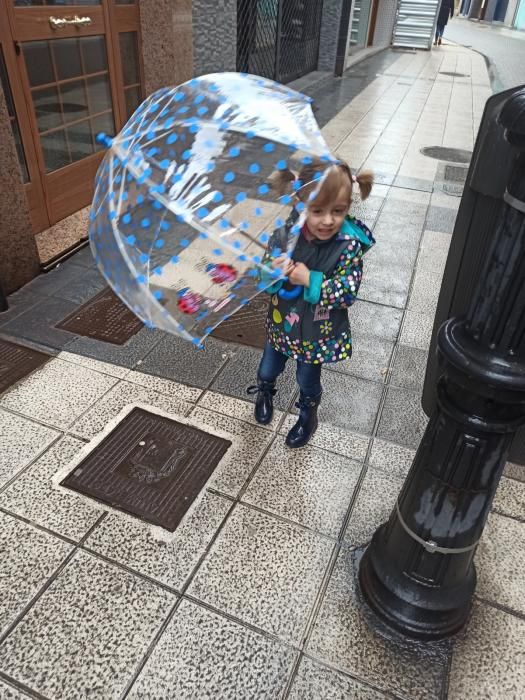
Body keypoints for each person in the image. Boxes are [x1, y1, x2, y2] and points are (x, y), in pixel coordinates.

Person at [247, 160, 375, 448]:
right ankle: (265, 391)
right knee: (268, 367)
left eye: (338, 211)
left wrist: (310, 279)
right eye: (317, 211)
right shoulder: (283, 237)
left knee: (308, 378)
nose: (328, 220)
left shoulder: (348, 246)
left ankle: (308, 413)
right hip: (283, 324)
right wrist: (273, 273)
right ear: (299, 201)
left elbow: (347, 292)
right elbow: (262, 281)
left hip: (318, 331)